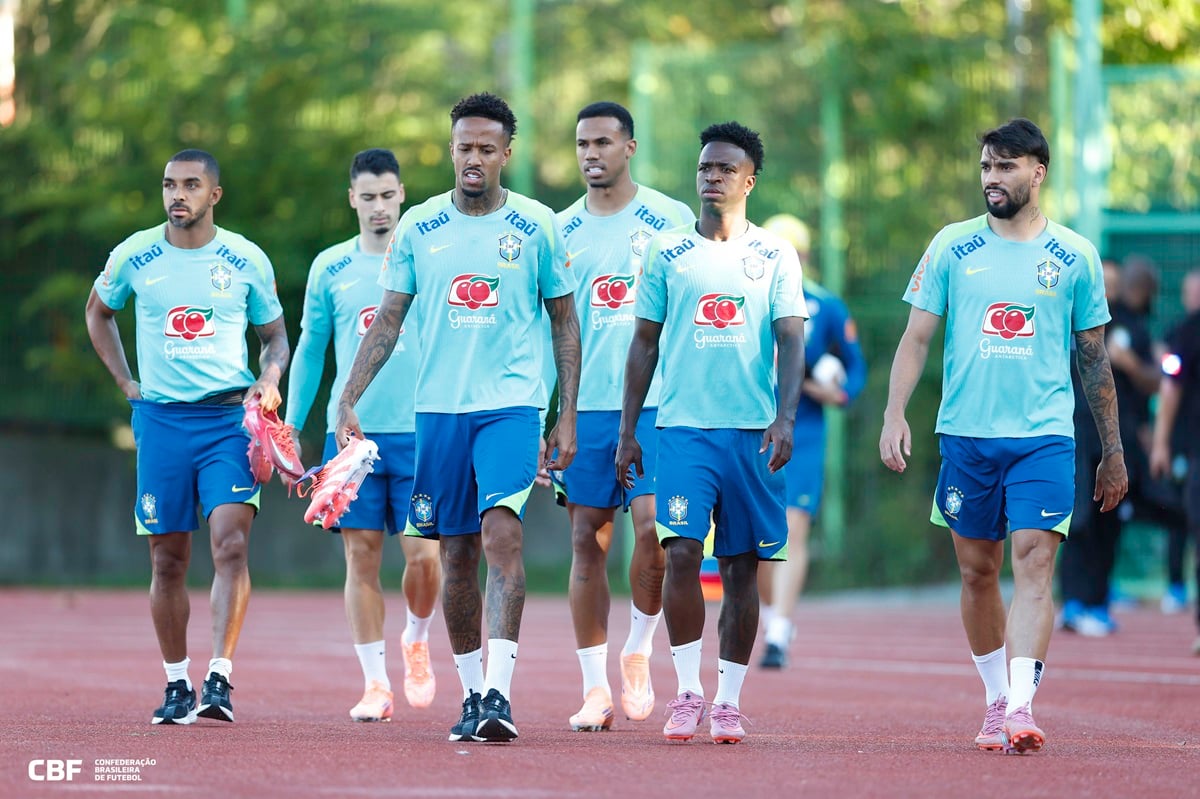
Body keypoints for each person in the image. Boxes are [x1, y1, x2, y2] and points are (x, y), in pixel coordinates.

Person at [334, 93, 580, 743]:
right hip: (436, 412)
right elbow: (388, 319)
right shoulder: (418, 226)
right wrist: (348, 394)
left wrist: (566, 415)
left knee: (502, 534)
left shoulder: (537, 226)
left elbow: (564, 321)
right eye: (463, 147)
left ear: (506, 153)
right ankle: (473, 695)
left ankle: (498, 690)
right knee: (458, 552)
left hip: (511, 406)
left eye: (485, 148)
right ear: (452, 151)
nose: (473, 158)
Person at [879, 118, 1127, 754]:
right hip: (966, 436)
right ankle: (994, 698)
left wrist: (1113, 450)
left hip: (1044, 436)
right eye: (987, 166)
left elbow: (1093, 359)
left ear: (1037, 172)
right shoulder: (952, 247)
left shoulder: (1075, 256)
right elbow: (916, 339)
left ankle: (1020, 706)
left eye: (1007, 166)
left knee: (1036, 563)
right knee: (977, 570)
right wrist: (894, 413)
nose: (993, 178)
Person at [616, 121, 807, 745]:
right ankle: (687, 692)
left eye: (725, 169)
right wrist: (628, 431)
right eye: (704, 168)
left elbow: (790, 339)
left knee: (742, 567)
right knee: (680, 553)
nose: (712, 177)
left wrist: (784, 417)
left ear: (748, 180)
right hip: (682, 431)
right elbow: (643, 343)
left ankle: (728, 699)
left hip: (750, 435)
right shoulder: (666, 253)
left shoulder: (775, 254)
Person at [85, 149, 290, 725]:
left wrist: (271, 376)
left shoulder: (245, 258)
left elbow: (276, 338)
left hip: (228, 421)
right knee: (168, 561)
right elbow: (97, 312)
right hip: (163, 423)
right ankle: (177, 685)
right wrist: (127, 381)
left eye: (191, 185)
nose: (178, 194)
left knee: (231, 543)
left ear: (214, 195)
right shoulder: (134, 254)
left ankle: (219, 678)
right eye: (170, 185)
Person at [551, 101, 695, 732]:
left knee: (653, 531)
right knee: (588, 540)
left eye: (604, 142)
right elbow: (550, 328)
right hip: (586, 409)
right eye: (582, 143)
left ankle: (639, 647)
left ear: (629, 148)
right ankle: (593, 688)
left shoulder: (671, 218)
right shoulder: (557, 231)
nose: (591, 153)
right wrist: (552, 416)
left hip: (659, 402)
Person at [285, 148, 442, 722]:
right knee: (361, 555)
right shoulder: (330, 267)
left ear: (402, 194)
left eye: (388, 195)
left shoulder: (428, 259)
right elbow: (309, 350)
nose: (379, 207)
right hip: (351, 438)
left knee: (425, 557)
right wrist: (293, 426)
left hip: (423, 431)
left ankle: (417, 636)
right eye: (367, 197)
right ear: (352, 198)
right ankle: (376, 684)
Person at [756, 213, 866, 669]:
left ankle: (779, 632)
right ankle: (769, 615)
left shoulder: (827, 305)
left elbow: (855, 366)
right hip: (752, 424)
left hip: (806, 428)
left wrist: (835, 391)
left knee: (794, 525)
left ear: (802, 256)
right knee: (760, 534)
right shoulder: (746, 298)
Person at [1058, 256, 1164, 636]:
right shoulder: (1065, 319)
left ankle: (1098, 603)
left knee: (1110, 520)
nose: (1110, 288)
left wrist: (1130, 363)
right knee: (1078, 520)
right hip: (1074, 434)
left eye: (1114, 282)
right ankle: (1073, 602)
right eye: (1103, 280)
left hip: (1119, 442)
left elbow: (1155, 381)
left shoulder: (1130, 328)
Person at [1150, 267, 1200, 654]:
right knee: (1187, 523)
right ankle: (1176, 586)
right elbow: (1170, 384)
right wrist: (1163, 443)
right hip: (1192, 449)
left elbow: (1169, 386)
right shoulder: (1185, 332)